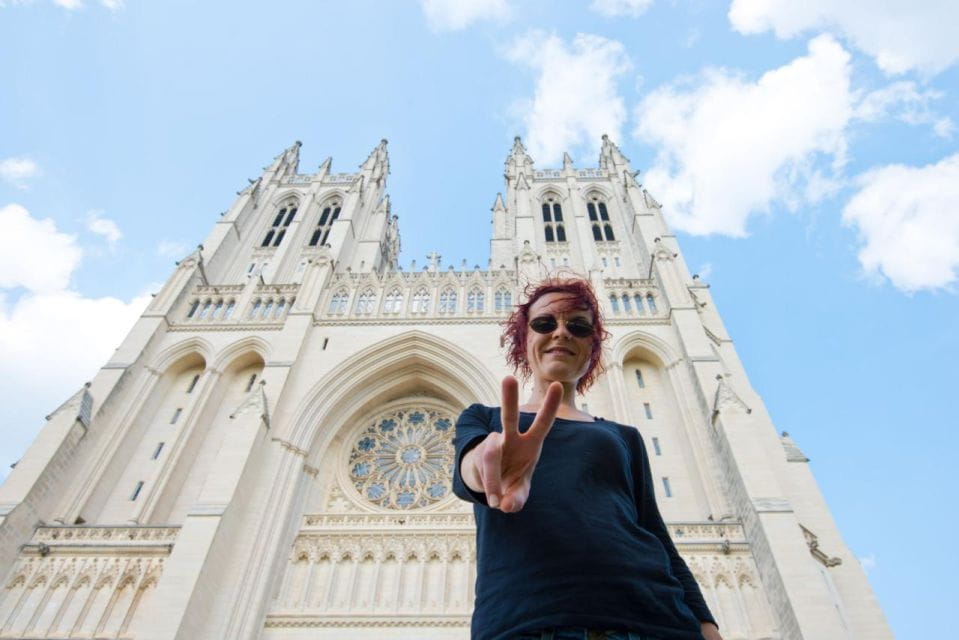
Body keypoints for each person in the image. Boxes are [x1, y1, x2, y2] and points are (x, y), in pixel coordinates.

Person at [453, 277, 723, 640]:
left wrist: (706, 626)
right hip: (531, 622)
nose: (561, 332)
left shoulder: (624, 436)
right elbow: (466, 475)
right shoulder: (485, 420)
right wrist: (490, 467)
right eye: (545, 323)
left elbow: (655, 534)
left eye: (578, 326)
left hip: (658, 621)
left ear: (592, 348)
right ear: (524, 339)